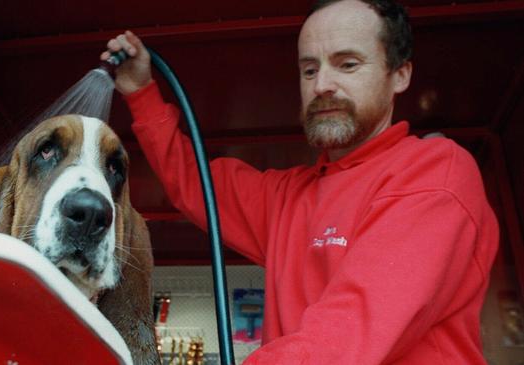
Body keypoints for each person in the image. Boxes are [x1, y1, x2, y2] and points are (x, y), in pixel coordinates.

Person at [101, 0, 499, 363]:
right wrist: (141, 92)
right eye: (310, 69)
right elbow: (193, 179)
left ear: (400, 75)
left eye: (347, 64)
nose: (322, 84)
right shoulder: (288, 196)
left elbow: (346, 335)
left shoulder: (435, 172)